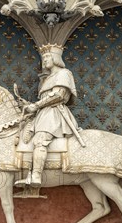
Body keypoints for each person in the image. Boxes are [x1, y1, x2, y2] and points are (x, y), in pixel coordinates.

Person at [17, 44, 84, 187]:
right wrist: (29, 104)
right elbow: (44, 99)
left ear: (55, 58)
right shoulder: (49, 77)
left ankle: (36, 176)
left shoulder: (64, 73)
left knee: (41, 139)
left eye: (47, 57)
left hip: (54, 113)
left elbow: (59, 95)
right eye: (43, 58)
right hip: (43, 113)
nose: (44, 60)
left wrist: (36, 105)